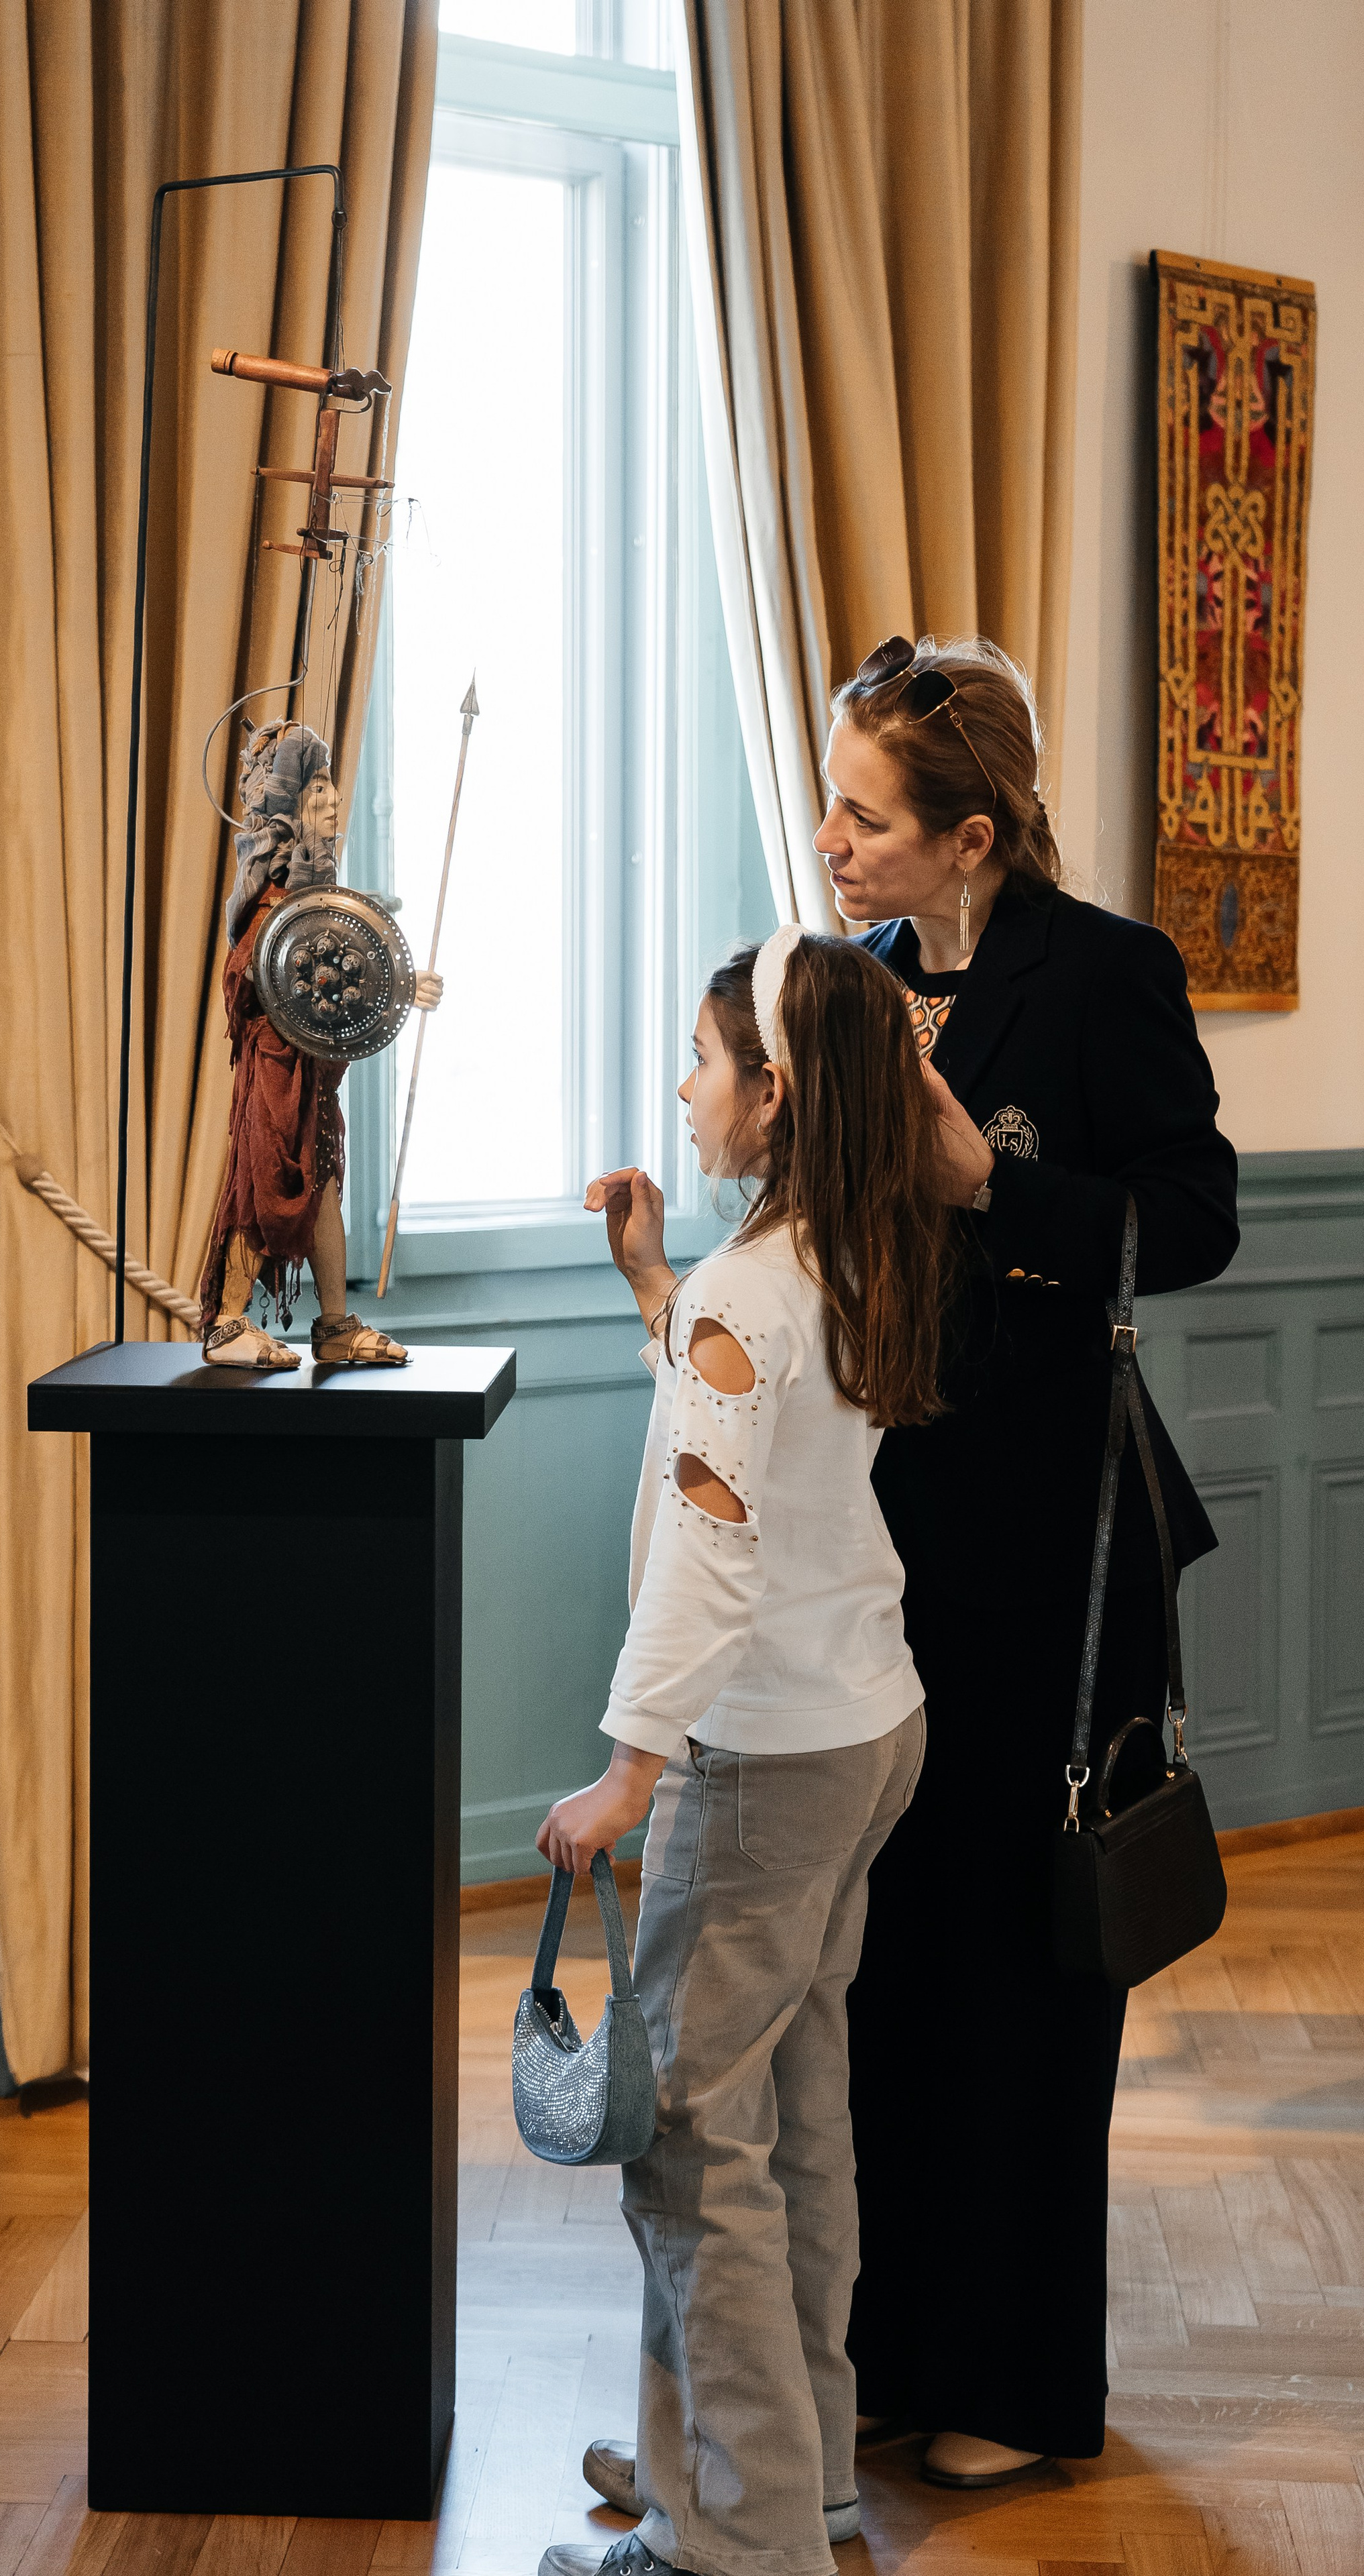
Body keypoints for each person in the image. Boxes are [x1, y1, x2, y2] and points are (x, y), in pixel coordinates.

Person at [827, 635, 1239, 2485]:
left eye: (866, 816)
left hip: (1057, 1552)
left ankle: (1016, 2388)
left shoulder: (1108, 977)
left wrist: (997, 1192)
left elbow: (1196, 1222)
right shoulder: (853, 989)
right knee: (887, 1959)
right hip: (877, 1540)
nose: (832, 842)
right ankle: (885, 2355)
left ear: (973, 835)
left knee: (1023, 1970)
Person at [535, 926, 948, 2576]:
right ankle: (789, 2479)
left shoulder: (750, 1288)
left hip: (760, 1762)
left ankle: (735, 2541)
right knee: (791, 2115)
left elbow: (703, 1549)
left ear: (771, 1092)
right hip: (867, 1729)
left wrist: (629, 1768)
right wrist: (650, 1277)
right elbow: (744, 1440)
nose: (687, 1093)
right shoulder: (853, 1253)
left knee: (688, 2148)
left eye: (704, 1064)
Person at [197, 718, 440, 1368]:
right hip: (275, 1082)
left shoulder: (313, 902)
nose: (333, 801)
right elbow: (268, 977)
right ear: (288, 808)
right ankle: (226, 1323)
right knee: (261, 1185)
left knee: (323, 1187)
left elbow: (341, 974)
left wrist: (399, 985)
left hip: (310, 1086)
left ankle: (333, 1327)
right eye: (317, 790)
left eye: (332, 785)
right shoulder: (272, 903)